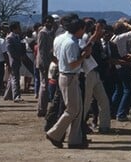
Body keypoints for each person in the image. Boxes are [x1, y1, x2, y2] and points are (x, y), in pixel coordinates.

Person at [45, 17, 92, 149]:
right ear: (80, 29)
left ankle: (74, 139)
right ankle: (55, 133)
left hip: (70, 76)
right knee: (72, 110)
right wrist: (83, 56)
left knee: (78, 109)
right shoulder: (71, 43)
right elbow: (72, 64)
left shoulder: (68, 40)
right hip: (69, 76)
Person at [37, 15, 55, 117]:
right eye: (47, 22)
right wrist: (44, 63)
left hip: (49, 61)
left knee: (45, 85)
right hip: (44, 62)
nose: (49, 23)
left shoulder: (50, 32)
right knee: (44, 85)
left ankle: (43, 108)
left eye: (50, 22)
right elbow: (42, 50)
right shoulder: (43, 33)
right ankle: (41, 109)